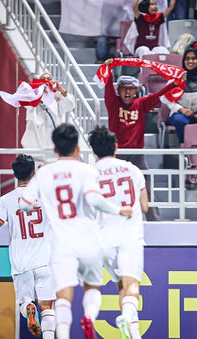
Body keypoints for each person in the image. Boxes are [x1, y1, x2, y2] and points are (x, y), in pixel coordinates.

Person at [18, 124, 132, 339]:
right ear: (77, 149)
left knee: (62, 296)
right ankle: (89, 317)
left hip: (61, 244)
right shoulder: (87, 170)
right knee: (91, 287)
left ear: (54, 150)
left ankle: (62, 334)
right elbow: (94, 200)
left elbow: (25, 203)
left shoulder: (44, 174)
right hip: (89, 239)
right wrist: (118, 210)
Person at [0, 155, 56, 339]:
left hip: (21, 263)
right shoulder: (45, 195)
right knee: (47, 306)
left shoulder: (7, 199)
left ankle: (28, 308)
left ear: (14, 175)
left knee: (25, 302)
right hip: (44, 260)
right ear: (33, 173)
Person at [104, 59, 184, 221]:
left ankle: (154, 219)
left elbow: (158, 95)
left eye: (131, 89)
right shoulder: (113, 103)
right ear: (118, 90)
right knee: (116, 189)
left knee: (145, 187)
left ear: (136, 91)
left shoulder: (141, 104)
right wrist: (109, 68)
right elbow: (107, 85)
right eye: (124, 89)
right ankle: (114, 219)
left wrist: (174, 83)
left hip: (138, 154)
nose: (127, 92)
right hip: (117, 154)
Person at [89, 126, 148, 339]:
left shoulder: (89, 174)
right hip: (129, 237)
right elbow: (145, 206)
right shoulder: (132, 169)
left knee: (121, 285)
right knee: (132, 285)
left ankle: (133, 331)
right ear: (116, 146)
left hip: (104, 241)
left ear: (94, 150)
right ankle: (128, 320)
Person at [162, 48, 197, 144]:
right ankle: (185, 146)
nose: (190, 61)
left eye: (193, 58)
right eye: (187, 58)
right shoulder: (177, 78)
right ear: (183, 61)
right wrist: (181, 109)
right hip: (182, 114)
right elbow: (164, 97)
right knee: (179, 120)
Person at [21, 73, 75, 152]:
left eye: (48, 79)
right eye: (43, 78)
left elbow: (70, 104)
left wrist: (61, 90)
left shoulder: (57, 97)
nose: (46, 80)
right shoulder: (32, 94)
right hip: (35, 142)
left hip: (53, 144)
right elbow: (23, 99)